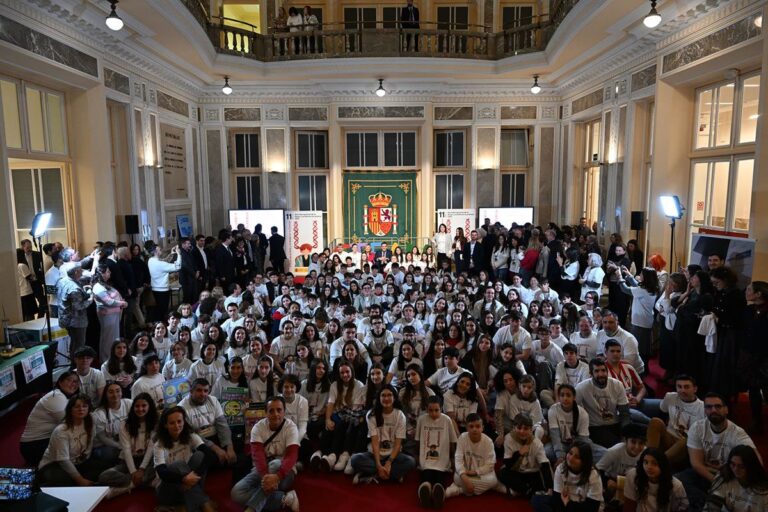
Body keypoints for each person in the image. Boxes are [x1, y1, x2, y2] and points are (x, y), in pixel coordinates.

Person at [677, 393, 758, 510]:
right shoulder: (697, 427)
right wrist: (715, 482)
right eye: (709, 407)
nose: (713, 410)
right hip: (706, 473)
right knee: (677, 480)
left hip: (729, 476)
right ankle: (711, 504)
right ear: (705, 410)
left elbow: (756, 460)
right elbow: (696, 464)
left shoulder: (737, 433)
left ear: (726, 410)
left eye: (718, 406)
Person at [231, 396, 300, 512]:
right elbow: (257, 456)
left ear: (284, 411)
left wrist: (277, 476)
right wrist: (266, 478)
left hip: (284, 473)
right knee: (236, 493)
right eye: (271, 411)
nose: (276, 414)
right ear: (265, 413)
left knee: (276, 463)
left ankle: (251, 509)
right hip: (262, 470)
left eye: (279, 410)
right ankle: (285, 498)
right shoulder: (257, 428)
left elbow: (292, 456)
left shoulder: (291, 427)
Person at [153, 406, 218, 512]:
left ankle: (186, 505)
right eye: (172, 423)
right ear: (165, 425)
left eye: (179, 421)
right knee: (178, 464)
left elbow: (210, 455)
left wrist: (191, 478)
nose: (177, 426)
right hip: (167, 489)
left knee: (200, 456)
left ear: (184, 421)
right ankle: (204, 503)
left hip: (189, 485)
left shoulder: (190, 436)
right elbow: (162, 472)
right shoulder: (159, 445)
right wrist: (183, 479)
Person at [37, 395, 112, 486]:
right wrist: (80, 480)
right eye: (77, 406)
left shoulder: (91, 419)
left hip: (80, 462)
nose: (81, 409)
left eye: (84, 406)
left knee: (105, 464)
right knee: (64, 480)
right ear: (70, 409)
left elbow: (96, 440)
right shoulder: (61, 430)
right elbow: (63, 460)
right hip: (55, 464)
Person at [350, 384, 416, 484]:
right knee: (355, 460)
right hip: (374, 455)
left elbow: (398, 443)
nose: (386, 398)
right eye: (383, 395)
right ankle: (391, 475)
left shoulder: (399, 415)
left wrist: (389, 462)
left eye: (389, 395)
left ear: (394, 398)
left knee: (411, 462)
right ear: (378, 398)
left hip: (393, 456)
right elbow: (375, 442)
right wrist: (378, 465)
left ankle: (372, 475)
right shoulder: (371, 414)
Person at [20, 370, 80, 466]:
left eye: (76, 381)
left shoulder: (64, 396)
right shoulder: (56, 397)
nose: (73, 384)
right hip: (34, 446)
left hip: (45, 440)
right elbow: (71, 424)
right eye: (69, 380)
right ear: (60, 382)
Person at [645, 374, 705, 470]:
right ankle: (649, 456)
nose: (682, 390)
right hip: (669, 435)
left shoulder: (702, 407)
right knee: (655, 421)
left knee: (688, 439)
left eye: (686, 387)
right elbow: (662, 412)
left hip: (685, 445)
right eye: (679, 387)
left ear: (695, 389)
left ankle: (657, 462)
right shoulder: (670, 397)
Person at [444, 413, 505, 498]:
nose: (474, 429)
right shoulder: (462, 438)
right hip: (465, 473)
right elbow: (458, 460)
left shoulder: (488, 441)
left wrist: (476, 472)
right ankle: (483, 487)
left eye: (477, 426)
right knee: (457, 477)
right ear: (467, 428)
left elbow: (490, 465)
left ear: (482, 428)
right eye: (471, 426)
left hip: (481, 474)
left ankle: (457, 490)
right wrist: (464, 477)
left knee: (493, 480)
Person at [179, 378, 237, 467]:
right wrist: (216, 448)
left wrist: (229, 447)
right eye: (199, 390)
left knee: (236, 444)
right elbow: (191, 435)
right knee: (208, 457)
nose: (203, 394)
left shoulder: (213, 400)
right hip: (199, 441)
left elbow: (222, 425)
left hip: (215, 435)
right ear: (191, 391)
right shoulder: (182, 407)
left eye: (206, 391)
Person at [531, 441, 603, 512]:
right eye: (570, 453)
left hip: (579, 505)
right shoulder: (561, 468)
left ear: (584, 461)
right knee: (537, 500)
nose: (571, 458)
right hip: (565, 503)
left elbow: (592, 508)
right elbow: (557, 500)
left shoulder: (593, 475)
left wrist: (568, 504)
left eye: (577, 457)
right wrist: (565, 504)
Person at [576, 358, 630, 448]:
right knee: (617, 445)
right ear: (591, 373)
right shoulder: (581, 387)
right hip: (595, 427)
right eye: (596, 371)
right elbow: (574, 411)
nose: (601, 374)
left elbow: (624, 413)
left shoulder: (617, 385)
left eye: (603, 370)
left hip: (615, 424)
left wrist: (626, 435)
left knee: (637, 432)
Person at [416, 395, 458, 507]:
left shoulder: (447, 420)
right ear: (426, 409)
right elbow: (418, 440)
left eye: (436, 410)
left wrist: (452, 458)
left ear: (441, 408)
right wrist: (417, 457)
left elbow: (452, 441)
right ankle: (426, 488)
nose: (433, 413)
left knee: (440, 474)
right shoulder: (421, 419)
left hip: (442, 456)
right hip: (425, 456)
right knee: (426, 473)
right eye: (430, 410)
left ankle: (437, 492)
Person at [499, 413, 553, 497]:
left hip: (532, 472)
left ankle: (523, 491)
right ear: (514, 428)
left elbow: (544, 465)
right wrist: (519, 453)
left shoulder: (536, 443)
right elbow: (508, 464)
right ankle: (528, 491)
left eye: (526, 428)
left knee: (542, 484)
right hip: (517, 471)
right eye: (519, 428)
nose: (522, 431)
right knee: (503, 473)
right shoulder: (509, 438)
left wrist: (550, 487)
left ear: (531, 430)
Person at [738, 281, 768, 433]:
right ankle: (757, 421)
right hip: (749, 355)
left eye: (749, 289)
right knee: (753, 388)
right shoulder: (749, 310)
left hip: (764, 357)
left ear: (758, 294)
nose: (746, 291)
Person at [596, 423, 647, 506]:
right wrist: (606, 481)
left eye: (641, 443)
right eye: (633, 442)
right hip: (613, 481)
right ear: (625, 441)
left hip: (632, 483)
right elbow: (597, 469)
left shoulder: (645, 454)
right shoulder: (614, 451)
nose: (637, 447)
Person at [705, 444, 768, 511]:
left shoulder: (764, 490)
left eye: (741, 466)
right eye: (733, 464)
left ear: (751, 467)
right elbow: (711, 507)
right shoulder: (724, 478)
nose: (735, 469)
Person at [624, 448, 689, 512]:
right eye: (646, 462)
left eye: (654, 463)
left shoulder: (676, 486)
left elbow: (682, 508)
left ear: (663, 466)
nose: (649, 467)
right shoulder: (633, 475)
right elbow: (629, 506)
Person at [57, 262, 94, 362]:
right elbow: (78, 306)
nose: (82, 271)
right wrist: (90, 298)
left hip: (65, 318)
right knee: (79, 346)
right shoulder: (74, 288)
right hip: (76, 321)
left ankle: (73, 364)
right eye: (81, 269)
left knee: (73, 343)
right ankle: (76, 367)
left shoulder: (62, 281)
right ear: (76, 272)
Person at [148, 243, 181, 322]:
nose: (161, 250)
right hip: (163, 289)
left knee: (159, 309)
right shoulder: (160, 264)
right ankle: (163, 324)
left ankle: (158, 323)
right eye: (159, 249)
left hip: (155, 288)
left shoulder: (151, 260)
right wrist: (179, 254)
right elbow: (177, 266)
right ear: (155, 252)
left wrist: (172, 254)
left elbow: (164, 261)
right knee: (163, 310)